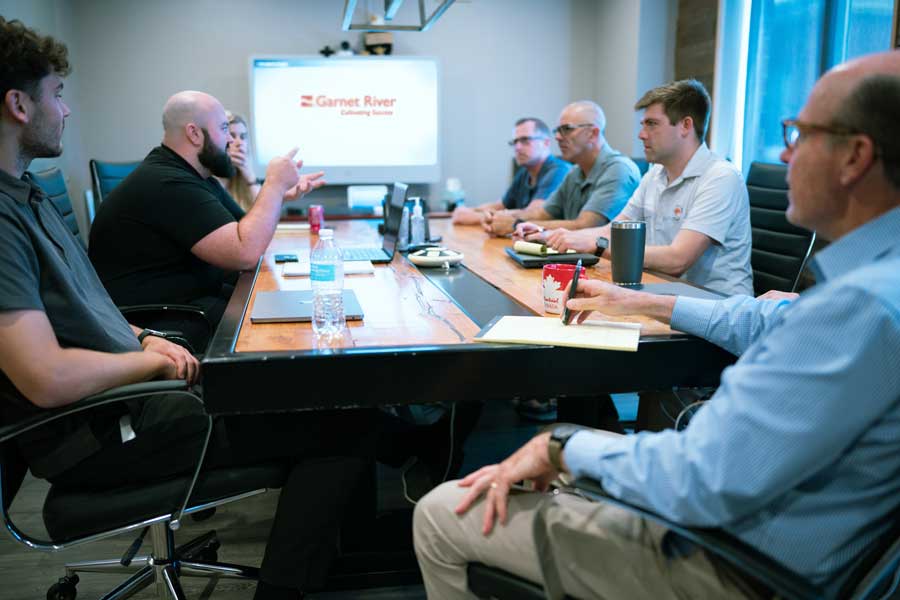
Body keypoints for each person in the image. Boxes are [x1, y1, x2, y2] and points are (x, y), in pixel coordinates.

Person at [413, 50, 900, 599]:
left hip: (730, 563)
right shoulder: (871, 287)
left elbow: (703, 478)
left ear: (855, 156)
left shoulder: (858, 307)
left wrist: (562, 444)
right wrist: (639, 302)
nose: (786, 153)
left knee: (441, 511)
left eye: (800, 134)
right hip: (768, 533)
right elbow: (764, 314)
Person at [0, 18, 372, 600]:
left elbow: (89, 309)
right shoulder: (6, 217)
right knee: (346, 424)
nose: (66, 111)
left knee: (332, 405)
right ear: (19, 104)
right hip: (106, 429)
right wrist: (150, 360)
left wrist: (144, 335)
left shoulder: (26, 197)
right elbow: (44, 378)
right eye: (57, 94)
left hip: (135, 398)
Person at [88, 90, 325, 326]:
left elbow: (247, 229)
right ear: (194, 133)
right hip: (162, 318)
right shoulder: (169, 182)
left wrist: (279, 196)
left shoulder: (195, 176)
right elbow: (246, 254)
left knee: (285, 307)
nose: (231, 140)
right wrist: (273, 184)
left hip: (192, 301)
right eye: (224, 129)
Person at [539, 80, 753, 296]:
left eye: (652, 124)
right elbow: (614, 230)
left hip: (717, 309)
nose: (642, 134)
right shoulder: (655, 175)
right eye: (643, 125)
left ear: (685, 126)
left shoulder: (720, 177)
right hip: (665, 295)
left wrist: (597, 245)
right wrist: (553, 235)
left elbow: (678, 260)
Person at [483, 101, 640, 238]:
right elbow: (543, 213)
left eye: (566, 129)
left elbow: (586, 226)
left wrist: (515, 223)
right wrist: (503, 216)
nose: (557, 137)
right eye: (557, 130)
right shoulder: (575, 172)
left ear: (593, 133)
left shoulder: (619, 170)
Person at [451, 117, 568, 225]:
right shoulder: (524, 172)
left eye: (525, 140)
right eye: (515, 142)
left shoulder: (559, 171)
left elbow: (534, 213)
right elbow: (500, 205)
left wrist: (479, 217)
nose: (517, 148)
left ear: (546, 143)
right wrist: (469, 210)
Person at [217, 111, 261, 211]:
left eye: (243, 137)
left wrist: (250, 176)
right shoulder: (205, 180)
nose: (239, 142)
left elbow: (265, 216)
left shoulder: (246, 178)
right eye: (232, 135)